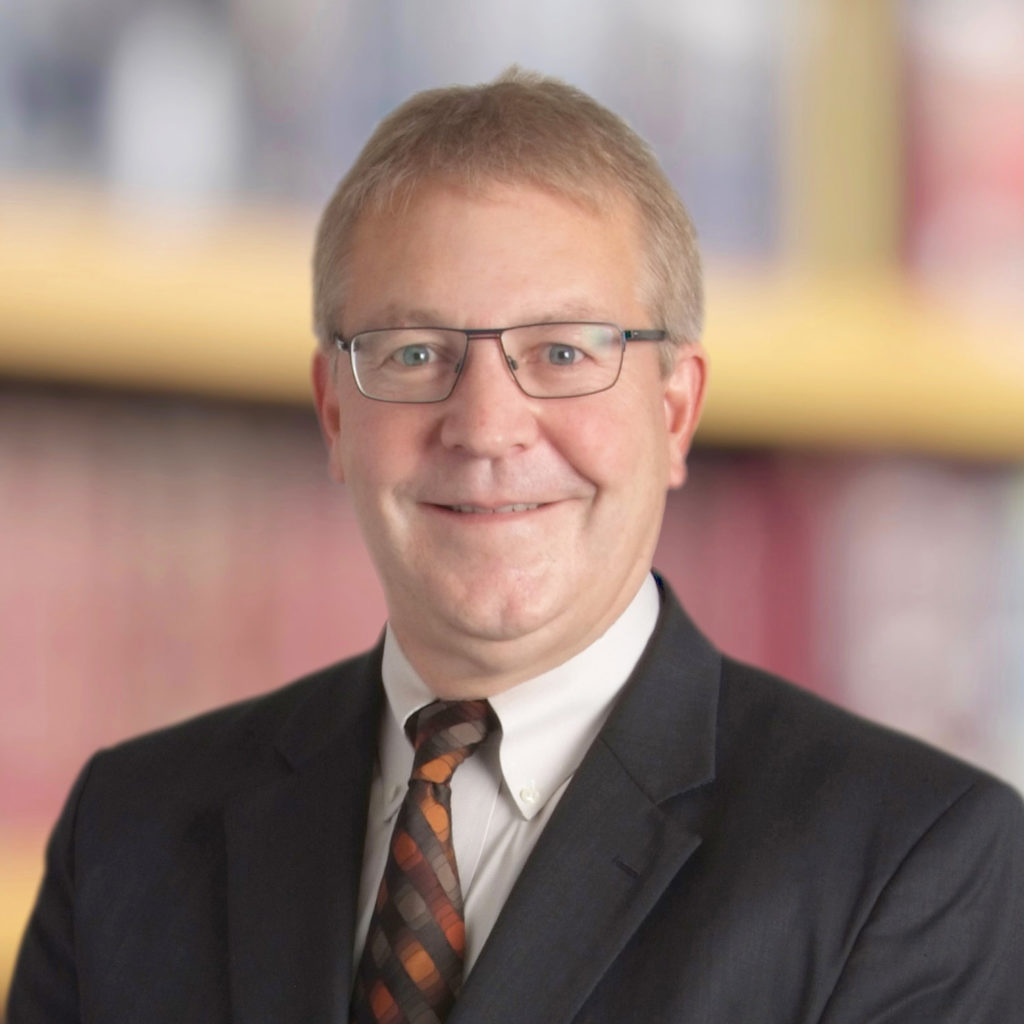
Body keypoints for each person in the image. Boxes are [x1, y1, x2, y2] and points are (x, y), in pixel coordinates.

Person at [8, 68, 1024, 1024]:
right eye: (416, 353)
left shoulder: (912, 865)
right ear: (334, 414)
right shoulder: (128, 832)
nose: (487, 429)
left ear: (674, 411)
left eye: (564, 351)